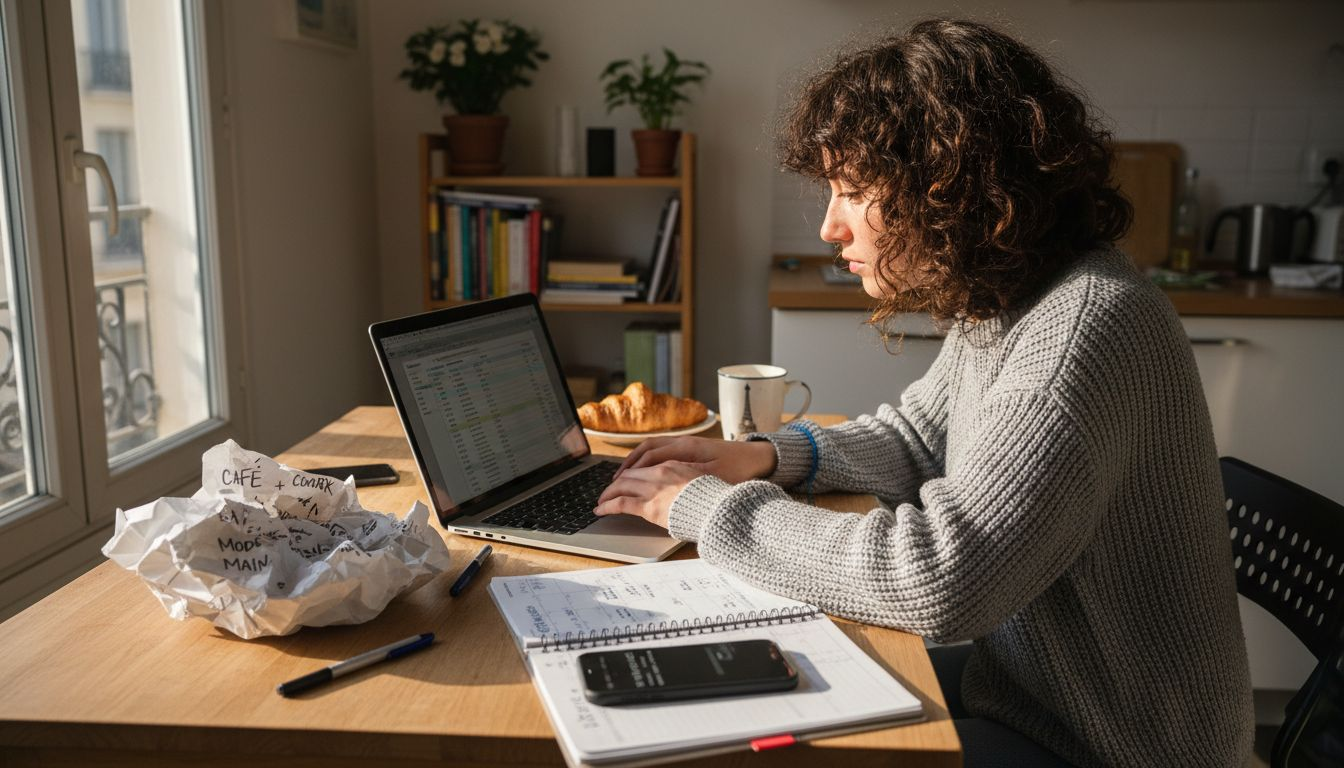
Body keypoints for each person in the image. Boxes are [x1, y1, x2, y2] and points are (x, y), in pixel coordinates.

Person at [592, 18, 1254, 768]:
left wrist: (704, 509)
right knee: (757, 715)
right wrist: (766, 457)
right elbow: (919, 437)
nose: (830, 226)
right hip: (1032, 693)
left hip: (1113, 744)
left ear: (953, 186)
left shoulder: (1082, 328)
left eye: (852, 191)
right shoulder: (1012, 297)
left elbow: (942, 577)